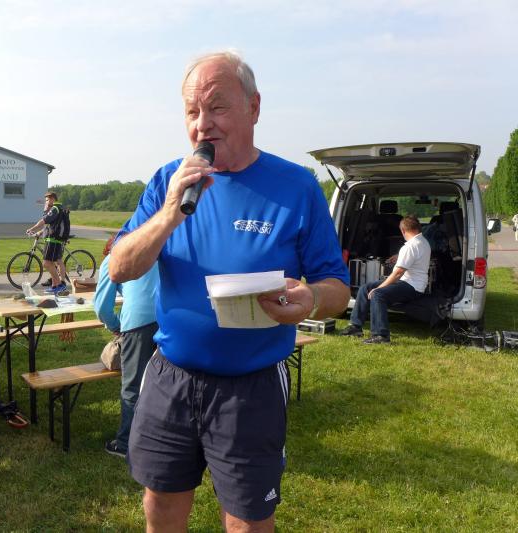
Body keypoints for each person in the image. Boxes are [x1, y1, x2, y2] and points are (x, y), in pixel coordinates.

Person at [108, 51, 350, 532]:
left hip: (251, 387)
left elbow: (337, 287)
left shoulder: (296, 187)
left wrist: (311, 299)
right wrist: (170, 213)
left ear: (253, 108)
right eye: (192, 111)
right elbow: (120, 266)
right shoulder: (169, 181)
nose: (203, 124)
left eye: (217, 107)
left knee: (248, 521)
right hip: (170, 376)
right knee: (160, 504)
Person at [93, 236, 159, 459]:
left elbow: (102, 307)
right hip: (169, 319)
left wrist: (115, 326)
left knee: (132, 386)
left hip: (137, 323)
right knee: (162, 382)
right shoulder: (154, 253)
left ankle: (125, 443)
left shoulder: (112, 259)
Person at [339, 215, 431, 344]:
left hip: (412, 287)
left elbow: (398, 273)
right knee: (365, 288)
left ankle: (381, 335)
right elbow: (414, 255)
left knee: (377, 294)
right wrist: (399, 256)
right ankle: (355, 326)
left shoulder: (410, 247)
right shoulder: (423, 241)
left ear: (403, 230)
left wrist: (379, 288)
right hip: (413, 283)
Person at [26, 192, 68, 294]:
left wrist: (32, 228)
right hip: (53, 239)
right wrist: (40, 232)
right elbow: (49, 226)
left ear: (53, 199)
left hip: (53, 240)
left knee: (46, 263)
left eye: (47, 200)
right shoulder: (58, 208)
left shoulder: (55, 209)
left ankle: (60, 285)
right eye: (46, 200)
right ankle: (55, 286)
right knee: (52, 263)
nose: (46, 202)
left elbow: (44, 220)